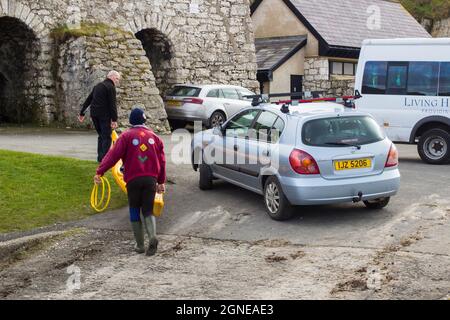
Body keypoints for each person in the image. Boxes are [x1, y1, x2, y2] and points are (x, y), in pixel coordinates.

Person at [94, 108, 166, 256]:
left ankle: (140, 245)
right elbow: (162, 161)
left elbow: (112, 156)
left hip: (133, 179)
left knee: (134, 209)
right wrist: (161, 181)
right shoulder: (155, 138)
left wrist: (100, 171)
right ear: (145, 120)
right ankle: (152, 236)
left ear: (131, 121)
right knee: (147, 210)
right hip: (150, 179)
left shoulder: (126, 136)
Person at [79, 70, 121, 162]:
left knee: (101, 136)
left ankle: (100, 158)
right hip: (104, 115)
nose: (118, 81)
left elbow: (89, 99)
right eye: (117, 79)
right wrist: (114, 119)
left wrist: (82, 113)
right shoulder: (110, 87)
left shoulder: (98, 86)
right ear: (112, 77)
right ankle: (104, 160)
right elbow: (112, 104)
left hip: (94, 114)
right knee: (106, 137)